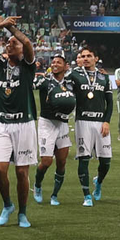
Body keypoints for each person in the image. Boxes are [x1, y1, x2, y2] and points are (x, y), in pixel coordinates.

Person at [0, 15, 38, 228]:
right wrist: (1, 26)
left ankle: (22, 213)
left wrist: (12, 28)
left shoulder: (28, 66)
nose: (9, 44)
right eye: (8, 42)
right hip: (3, 124)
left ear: (21, 49)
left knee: (22, 172)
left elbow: (28, 42)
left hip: (25, 124)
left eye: (14, 43)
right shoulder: (0, 64)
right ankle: (7, 205)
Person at [70, 47, 114, 208]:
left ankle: (99, 181)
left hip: (100, 122)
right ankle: (87, 195)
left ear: (96, 58)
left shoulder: (104, 77)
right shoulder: (74, 75)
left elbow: (109, 103)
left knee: (106, 161)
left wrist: (107, 121)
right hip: (82, 121)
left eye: (89, 56)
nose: (86, 58)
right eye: (83, 56)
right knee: (84, 158)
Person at [35, 55, 76, 206]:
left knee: (62, 162)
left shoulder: (71, 82)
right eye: (53, 62)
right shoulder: (45, 81)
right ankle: (38, 185)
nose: (55, 64)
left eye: (59, 62)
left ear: (66, 66)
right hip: (47, 123)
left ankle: (54, 195)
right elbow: (29, 85)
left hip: (63, 124)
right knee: (46, 162)